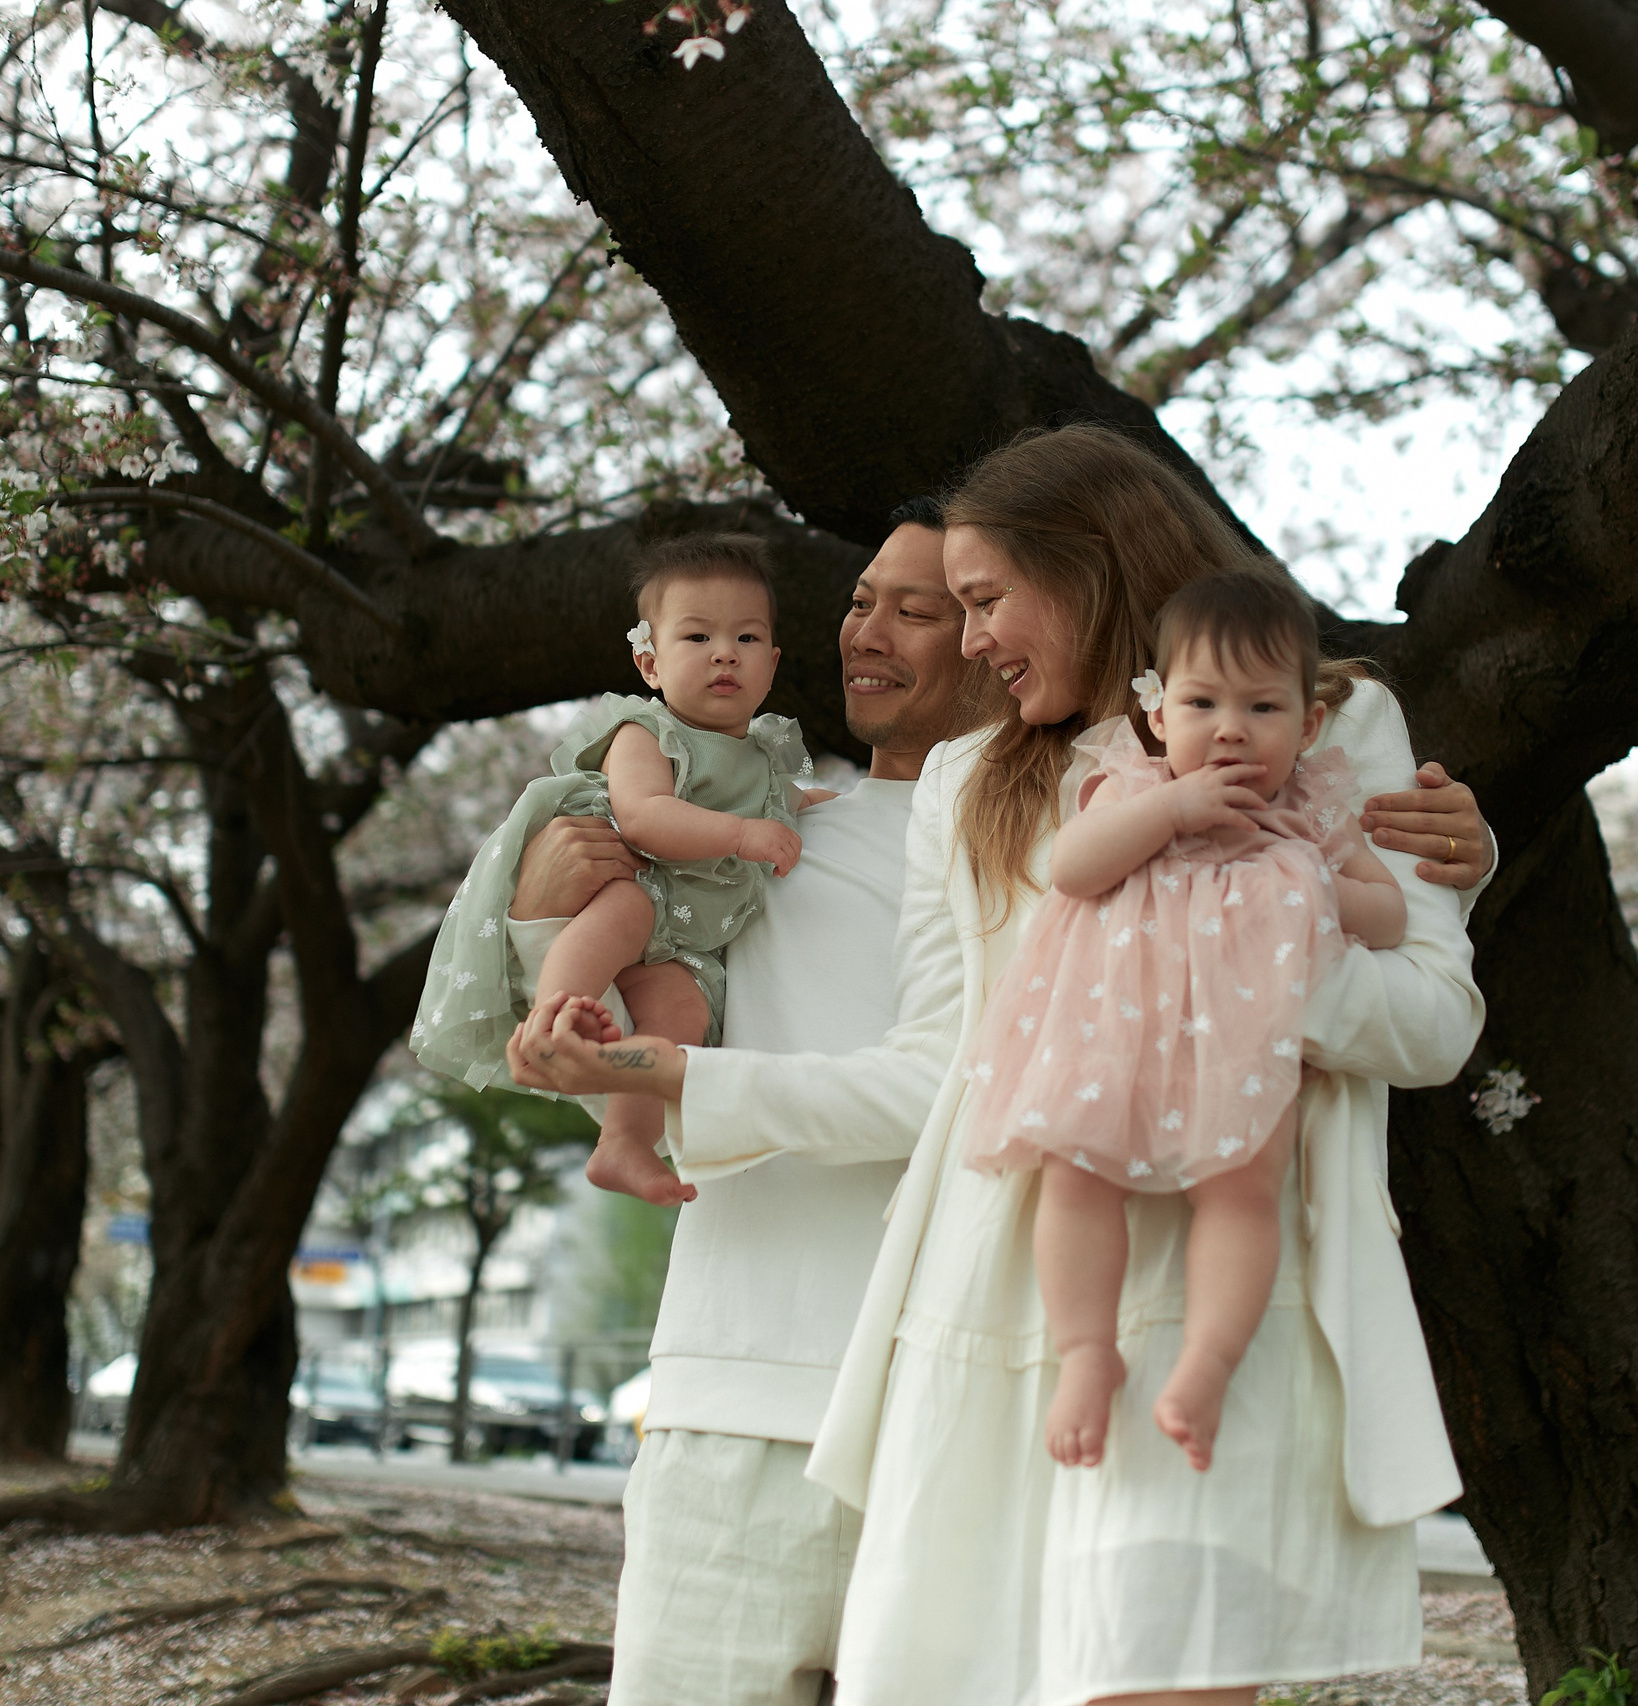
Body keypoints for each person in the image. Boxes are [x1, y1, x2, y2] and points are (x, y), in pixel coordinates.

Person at [514, 424, 1493, 1706]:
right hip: (996, 1299)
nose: (972, 641)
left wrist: (1246, 941)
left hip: (1219, 1295)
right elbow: (943, 1069)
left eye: (984, 600)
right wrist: (672, 1073)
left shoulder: (1321, 715)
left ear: (1087, 570)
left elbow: (1428, 1021)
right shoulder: (973, 777)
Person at [501, 501, 990, 1705]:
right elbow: (613, 1045)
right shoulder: (763, 826)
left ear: (998, 635)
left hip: (962, 1410)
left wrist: (1459, 846)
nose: (865, 629)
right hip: (733, 1385)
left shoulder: (1054, 840)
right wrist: (535, 923)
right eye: (861, 599)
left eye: (916, 608)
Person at [964, 567, 1405, 1477]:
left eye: (1264, 707)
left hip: (1242, 1042)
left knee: (1243, 1191)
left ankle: (1207, 1363)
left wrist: (1306, 870)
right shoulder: (1133, 784)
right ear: (1160, 715)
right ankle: (1087, 1350)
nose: (1232, 728)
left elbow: (1390, 915)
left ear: (1309, 724)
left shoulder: (1311, 810)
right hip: (1112, 1033)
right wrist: (1172, 809)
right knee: (1075, 1178)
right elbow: (1074, 869)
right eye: (1204, 702)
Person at [411, 534, 826, 1206]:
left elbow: (787, 802)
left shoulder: (766, 756)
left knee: (680, 1012)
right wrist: (744, 833)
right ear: (650, 662)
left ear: (773, 661)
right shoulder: (647, 734)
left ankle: (624, 1144)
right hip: (637, 881)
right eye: (697, 637)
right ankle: (554, 1018)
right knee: (625, 912)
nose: (726, 652)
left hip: (681, 941)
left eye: (747, 639)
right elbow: (644, 818)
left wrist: (813, 806)